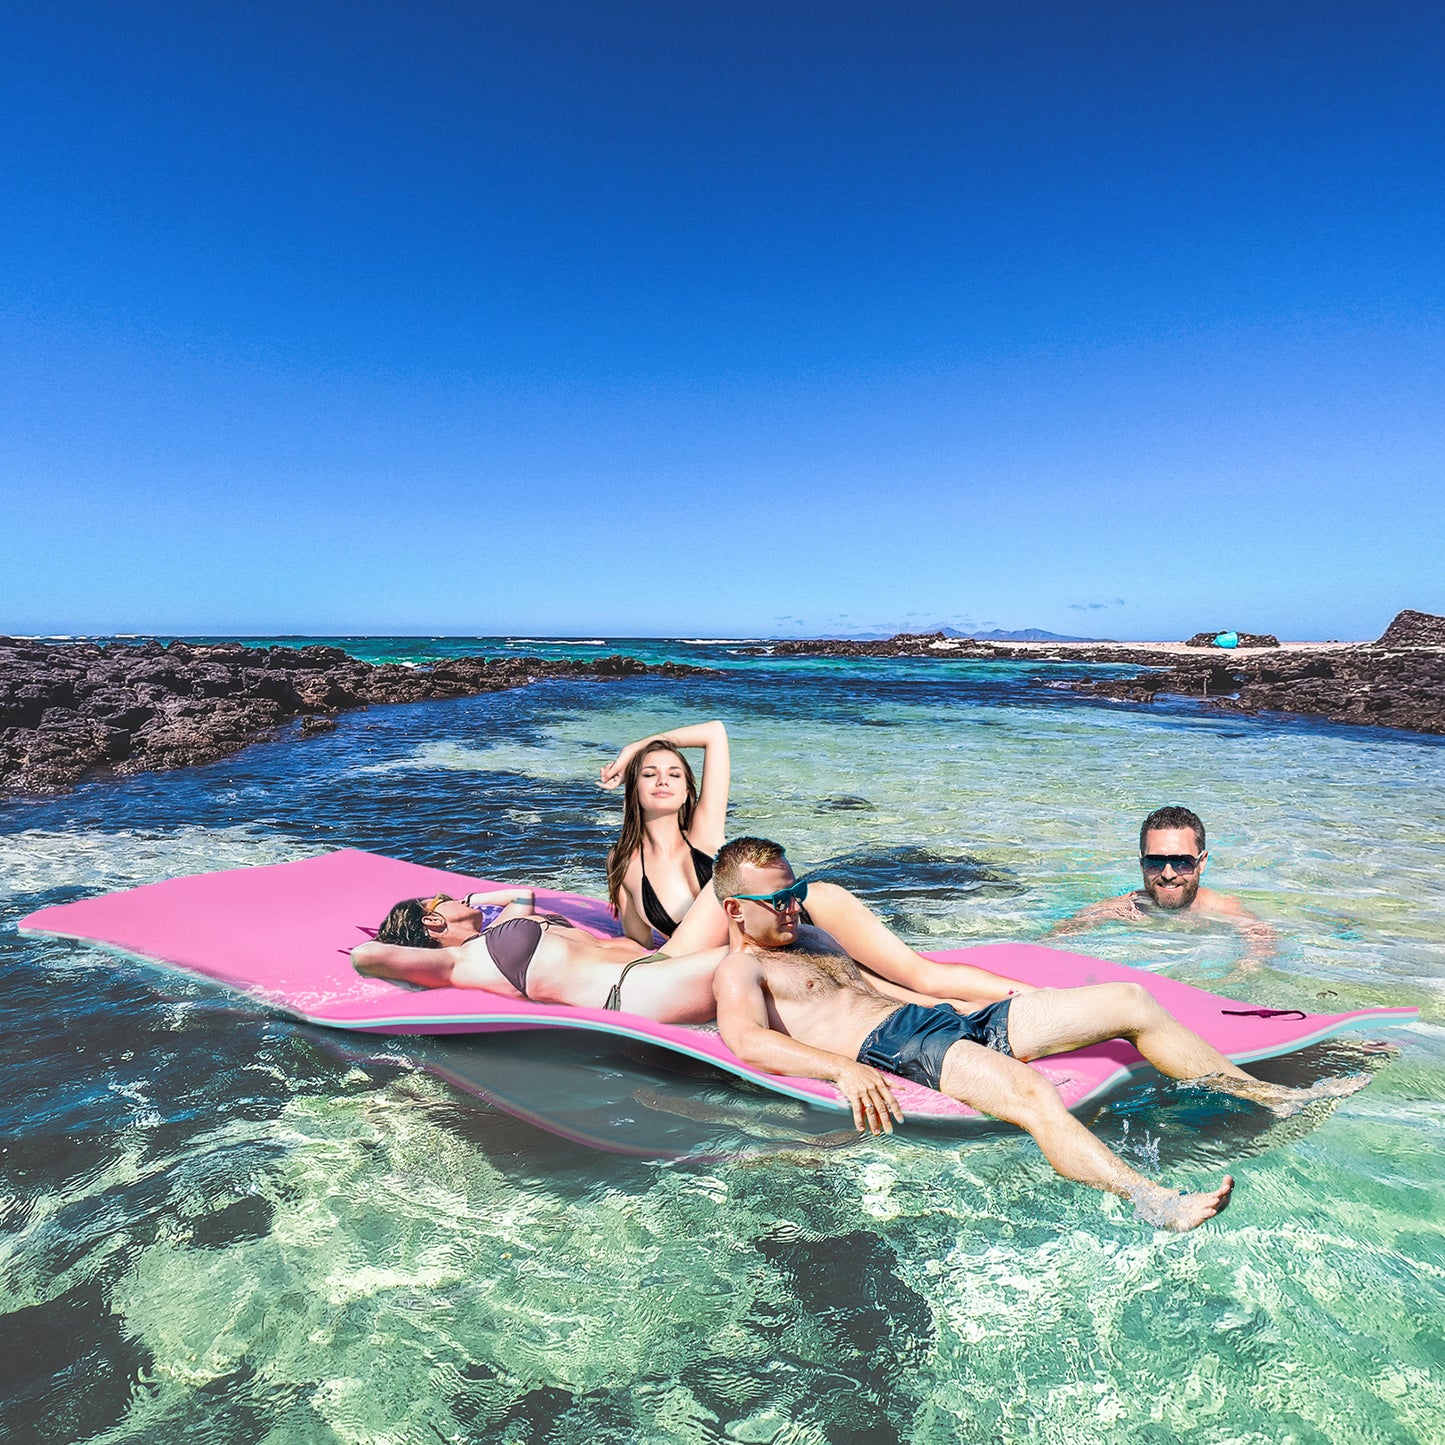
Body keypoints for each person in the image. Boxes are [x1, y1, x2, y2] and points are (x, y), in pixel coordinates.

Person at [711, 837, 1365, 1231]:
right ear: (736, 908)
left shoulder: (815, 932)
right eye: (778, 898)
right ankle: (1153, 1199)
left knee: (1129, 999)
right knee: (1028, 1094)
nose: (794, 903)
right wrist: (841, 1070)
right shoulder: (741, 965)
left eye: (795, 888)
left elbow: (908, 977)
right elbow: (745, 1039)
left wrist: (1001, 996)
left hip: (938, 1020)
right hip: (896, 1048)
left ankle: (1265, 1095)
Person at [351, 890, 725, 1024]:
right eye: (440, 897)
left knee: (735, 872)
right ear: (432, 920)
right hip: (638, 990)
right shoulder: (461, 962)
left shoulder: (496, 934)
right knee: (755, 960)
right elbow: (366, 955)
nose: (450, 896)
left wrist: (469, 901)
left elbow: (521, 896)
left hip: (664, 960)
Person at [1045, 805, 1278, 973]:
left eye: (1182, 862)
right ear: (1141, 862)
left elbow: (1261, 936)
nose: (1168, 874)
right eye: (1155, 862)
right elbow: (1058, 937)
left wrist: (1245, 971)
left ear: (1202, 862)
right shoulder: (1126, 908)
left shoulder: (1220, 909)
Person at [599, 719, 730, 946]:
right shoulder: (623, 861)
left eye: (674, 775)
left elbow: (714, 732)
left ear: (686, 790)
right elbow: (640, 945)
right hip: (702, 970)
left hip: (767, 951)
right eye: (649, 774)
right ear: (634, 789)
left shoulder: (704, 833)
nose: (662, 781)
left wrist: (633, 749)